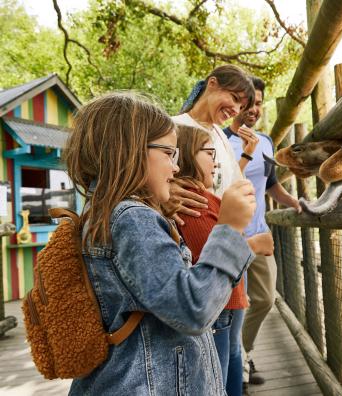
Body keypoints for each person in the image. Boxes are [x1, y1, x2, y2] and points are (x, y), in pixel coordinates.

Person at [63, 92, 257, 395]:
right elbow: (193, 308)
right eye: (169, 154)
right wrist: (230, 228)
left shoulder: (109, 214)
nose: (176, 168)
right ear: (129, 152)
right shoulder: (131, 219)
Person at [172, 123, 273, 396]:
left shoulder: (201, 197)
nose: (216, 163)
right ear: (184, 156)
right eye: (209, 154)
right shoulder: (193, 205)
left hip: (228, 300)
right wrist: (254, 244)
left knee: (231, 356)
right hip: (219, 308)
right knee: (220, 371)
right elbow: (214, 257)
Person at [223, 77, 301, 389]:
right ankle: (237, 364)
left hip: (260, 234)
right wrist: (243, 153)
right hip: (230, 238)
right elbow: (220, 186)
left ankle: (245, 350)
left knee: (266, 299)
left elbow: (269, 184)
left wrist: (292, 201)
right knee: (233, 305)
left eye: (258, 103)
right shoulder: (220, 140)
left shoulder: (266, 142)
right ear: (236, 104)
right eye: (248, 103)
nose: (254, 109)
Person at [171, 65, 260, 224]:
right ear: (212, 83)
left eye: (241, 107)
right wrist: (166, 193)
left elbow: (232, 184)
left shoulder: (221, 136)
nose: (236, 111)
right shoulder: (172, 127)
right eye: (234, 98)